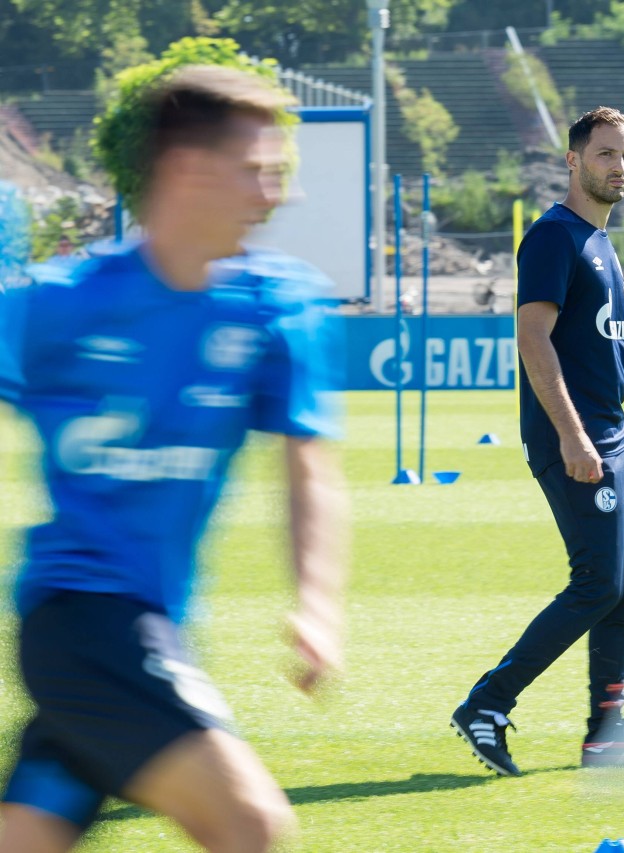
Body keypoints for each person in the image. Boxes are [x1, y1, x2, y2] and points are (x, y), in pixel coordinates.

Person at [0, 65, 349, 853]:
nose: (277, 195)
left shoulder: (275, 306)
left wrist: (318, 601)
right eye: (258, 171)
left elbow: (309, 466)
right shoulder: (62, 302)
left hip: (155, 627)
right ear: (189, 170)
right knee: (251, 825)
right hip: (85, 623)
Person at [450, 107, 624, 777]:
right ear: (573, 160)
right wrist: (575, 438)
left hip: (612, 441)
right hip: (575, 440)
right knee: (596, 584)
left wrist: (620, 443)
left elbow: (595, 356)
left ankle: (607, 737)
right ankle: (487, 704)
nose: (620, 166)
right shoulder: (554, 236)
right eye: (607, 153)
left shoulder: (600, 241)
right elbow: (534, 340)